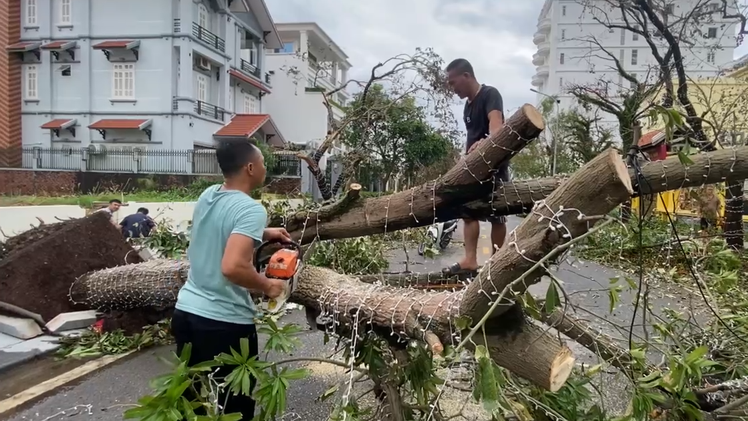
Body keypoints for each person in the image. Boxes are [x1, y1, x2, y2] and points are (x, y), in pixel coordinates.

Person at [172, 140, 289, 419]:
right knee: (236, 405)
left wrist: (264, 231)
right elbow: (233, 266)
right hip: (223, 324)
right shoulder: (251, 209)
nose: (264, 167)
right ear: (250, 168)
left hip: (186, 312)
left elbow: (220, 228)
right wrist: (268, 285)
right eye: (262, 162)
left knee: (190, 400)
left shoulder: (209, 194)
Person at [442, 58, 508, 277]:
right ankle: (470, 260)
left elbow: (496, 127)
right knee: (468, 212)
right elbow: (471, 138)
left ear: (466, 76)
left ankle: (495, 264)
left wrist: (486, 143)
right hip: (473, 168)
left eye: (453, 83)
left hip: (494, 165)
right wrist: (464, 158)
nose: (452, 89)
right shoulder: (467, 107)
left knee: (497, 215)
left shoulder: (490, 94)